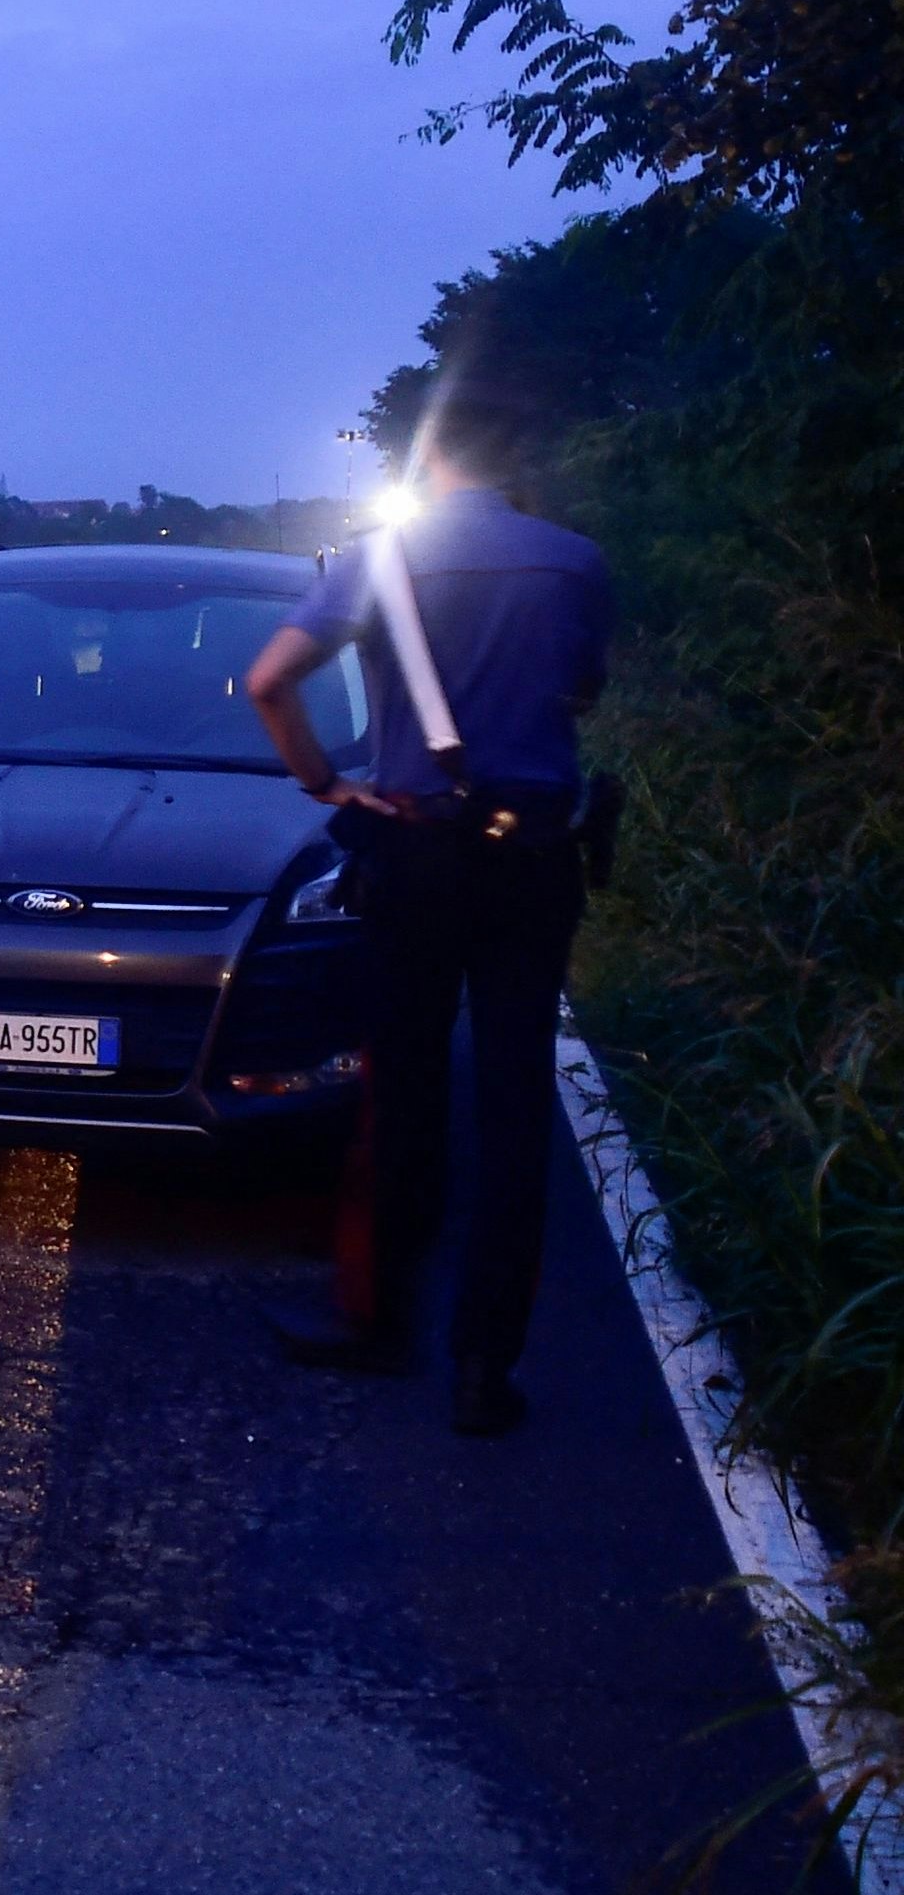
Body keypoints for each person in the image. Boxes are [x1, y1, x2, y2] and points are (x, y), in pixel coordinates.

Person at [244, 386, 611, 1438]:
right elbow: (583, 692)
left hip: (413, 845)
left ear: (427, 456)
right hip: (533, 855)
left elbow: (269, 681)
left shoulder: (379, 559)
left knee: (400, 1087)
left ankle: (378, 1320)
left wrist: (327, 785)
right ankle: (485, 1370)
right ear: (516, 454)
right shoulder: (573, 563)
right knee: (514, 1100)